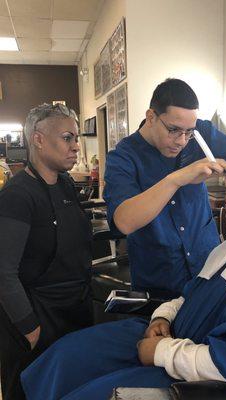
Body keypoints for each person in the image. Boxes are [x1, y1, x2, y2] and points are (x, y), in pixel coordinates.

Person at [21, 148, 226, 400]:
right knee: (67, 356)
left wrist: (162, 352)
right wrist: (163, 316)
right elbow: (193, 294)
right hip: (167, 336)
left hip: (189, 373)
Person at [103, 78, 226, 299]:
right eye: (174, 130)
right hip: (160, 279)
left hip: (207, 266)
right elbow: (124, 221)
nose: (182, 140)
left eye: (188, 131)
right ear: (151, 117)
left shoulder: (200, 135)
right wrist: (177, 179)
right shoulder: (123, 157)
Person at [0, 104, 94, 400]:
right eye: (68, 138)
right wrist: (29, 328)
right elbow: (3, 272)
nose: (76, 146)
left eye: (77, 138)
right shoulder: (17, 196)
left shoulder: (65, 184)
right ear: (38, 140)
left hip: (73, 312)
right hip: (38, 319)